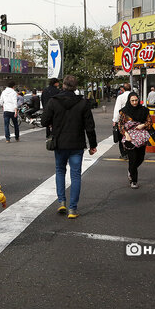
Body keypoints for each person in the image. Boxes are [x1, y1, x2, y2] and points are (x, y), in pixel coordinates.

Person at [40, 75, 97, 219]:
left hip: (59, 143)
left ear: (63, 85)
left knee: (60, 171)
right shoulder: (83, 103)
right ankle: (72, 209)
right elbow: (90, 127)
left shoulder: (53, 101)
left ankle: (61, 202)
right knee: (75, 175)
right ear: (76, 87)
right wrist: (93, 145)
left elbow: (44, 121)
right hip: (77, 144)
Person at [118, 92, 152, 189]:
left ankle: (130, 170)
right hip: (129, 138)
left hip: (141, 138)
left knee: (140, 158)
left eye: (136, 100)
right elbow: (120, 125)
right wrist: (126, 134)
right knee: (132, 159)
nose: (134, 102)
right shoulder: (124, 112)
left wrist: (143, 125)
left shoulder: (144, 110)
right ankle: (134, 181)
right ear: (129, 101)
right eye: (132, 100)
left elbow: (150, 122)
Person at [113, 83, 132, 159]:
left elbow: (117, 109)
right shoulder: (134, 96)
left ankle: (124, 154)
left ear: (123, 89)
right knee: (131, 136)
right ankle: (131, 152)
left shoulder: (120, 97)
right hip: (132, 120)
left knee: (122, 137)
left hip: (123, 120)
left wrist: (115, 120)